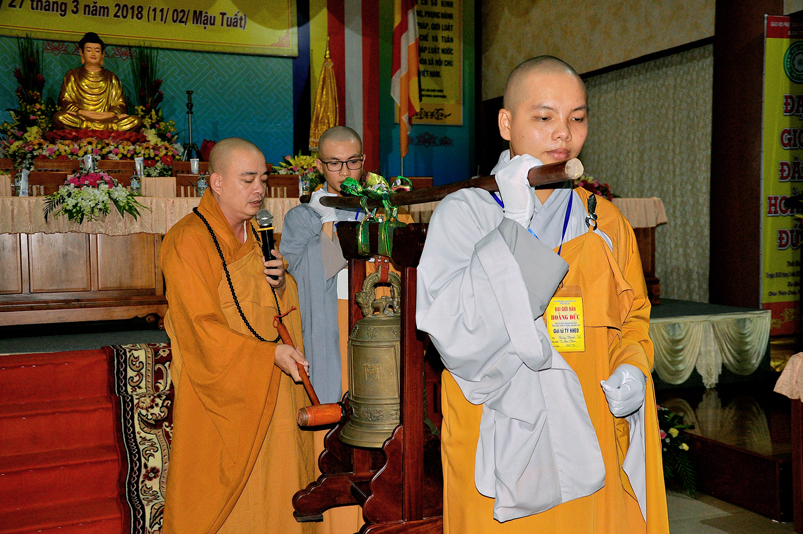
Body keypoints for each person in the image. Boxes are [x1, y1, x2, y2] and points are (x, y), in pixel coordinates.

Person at [416, 56, 670, 533]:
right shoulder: (466, 213)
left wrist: (634, 367)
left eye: (578, 118)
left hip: (592, 421)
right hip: (501, 426)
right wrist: (512, 227)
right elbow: (455, 334)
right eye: (544, 117)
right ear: (506, 124)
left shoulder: (604, 220)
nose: (564, 134)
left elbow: (634, 315)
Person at [160, 137, 314, 533]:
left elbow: (278, 308)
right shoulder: (187, 240)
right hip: (223, 390)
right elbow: (199, 326)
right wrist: (267, 356)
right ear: (217, 182)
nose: (259, 189)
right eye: (248, 180)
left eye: (263, 179)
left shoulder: (260, 237)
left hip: (272, 384)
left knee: (279, 482)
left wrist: (282, 285)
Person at [280, 126, 367, 405]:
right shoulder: (303, 217)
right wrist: (327, 222)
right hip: (329, 318)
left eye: (352, 162)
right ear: (319, 166)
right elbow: (319, 270)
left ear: (363, 161)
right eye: (334, 163)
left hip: (369, 315)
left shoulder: (376, 210)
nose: (345, 172)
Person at [52, 32, 142, 131]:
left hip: (106, 119)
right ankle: (101, 129)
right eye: (89, 50)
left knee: (135, 121)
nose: (93, 54)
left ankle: (90, 128)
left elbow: (120, 104)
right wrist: (81, 112)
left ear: (103, 54)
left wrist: (110, 114)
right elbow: (65, 100)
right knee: (59, 118)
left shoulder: (111, 77)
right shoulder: (73, 75)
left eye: (97, 51)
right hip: (82, 117)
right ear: (81, 52)